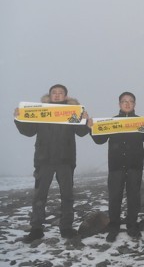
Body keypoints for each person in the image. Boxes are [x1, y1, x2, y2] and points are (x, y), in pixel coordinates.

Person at [14, 84, 89, 243]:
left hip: (65, 161)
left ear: (65, 96)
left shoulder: (72, 112)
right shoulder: (40, 111)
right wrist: (18, 118)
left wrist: (85, 121)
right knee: (39, 197)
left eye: (60, 93)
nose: (57, 95)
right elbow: (28, 131)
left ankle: (66, 228)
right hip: (44, 160)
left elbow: (81, 133)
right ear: (50, 96)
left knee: (67, 196)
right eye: (54, 92)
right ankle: (36, 229)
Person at [88, 92, 144, 242]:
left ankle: (132, 226)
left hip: (135, 167)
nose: (127, 104)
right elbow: (99, 140)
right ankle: (114, 226)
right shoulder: (111, 122)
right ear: (119, 104)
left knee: (134, 198)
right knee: (114, 198)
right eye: (124, 101)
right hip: (116, 167)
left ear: (134, 104)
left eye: (130, 101)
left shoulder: (141, 121)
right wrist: (91, 128)